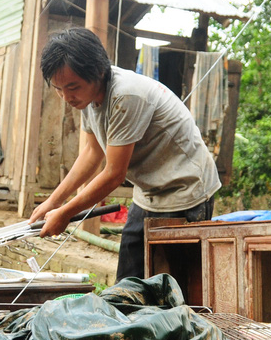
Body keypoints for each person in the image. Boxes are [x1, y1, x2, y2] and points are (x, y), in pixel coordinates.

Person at [30, 28, 220, 281]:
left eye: (72, 87)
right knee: (128, 282)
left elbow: (113, 174)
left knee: (176, 286)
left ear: (98, 72)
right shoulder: (86, 99)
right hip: (148, 193)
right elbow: (90, 153)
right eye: (58, 89)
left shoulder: (125, 96)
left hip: (186, 191)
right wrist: (53, 202)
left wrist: (65, 214)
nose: (66, 97)